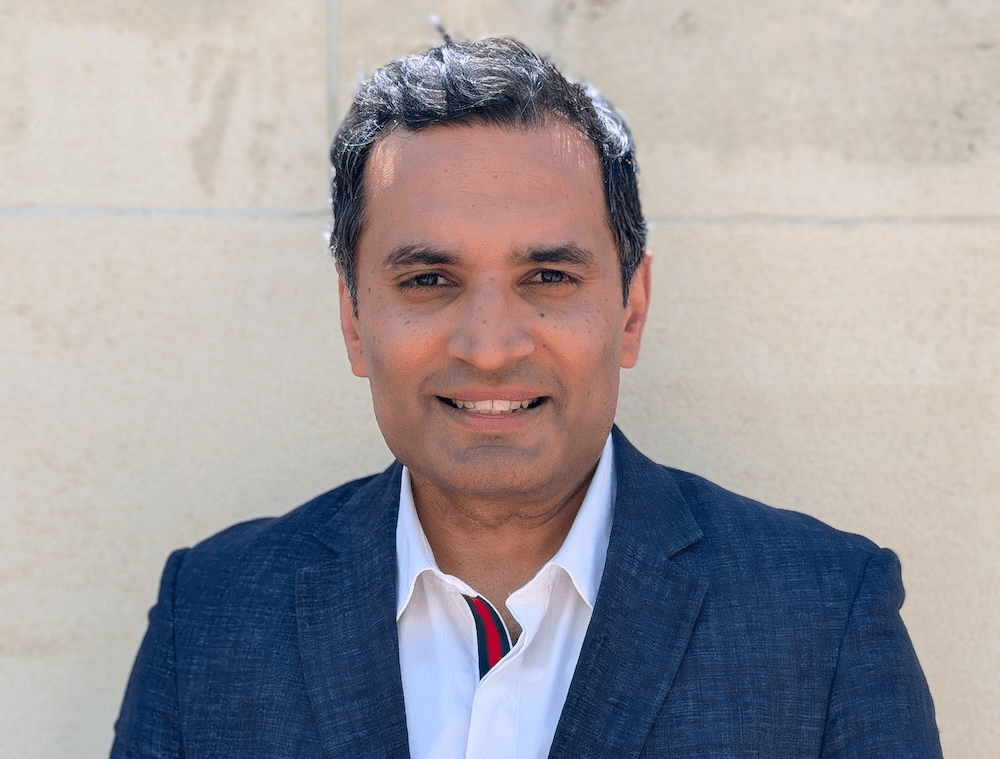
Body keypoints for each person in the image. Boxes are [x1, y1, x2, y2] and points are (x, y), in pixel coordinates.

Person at [111, 37, 942, 758]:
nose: (492, 343)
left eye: (547, 276)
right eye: (429, 279)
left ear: (631, 310)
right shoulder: (213, 615)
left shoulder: (822, 616)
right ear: (353, 319)